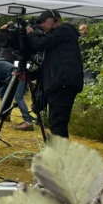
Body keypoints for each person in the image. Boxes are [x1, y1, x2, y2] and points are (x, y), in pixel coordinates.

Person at [25, 9, 84, 138]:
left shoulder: (64, 30)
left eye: (44, 21)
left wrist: (31, 34)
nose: (41, 25)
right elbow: (50, 65)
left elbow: (40, 44)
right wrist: (30, 75)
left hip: (63, 85)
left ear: (56, 20)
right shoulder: (59, 38)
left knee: (58, 123)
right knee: (56, 123)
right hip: (60, 85)